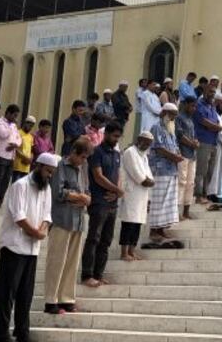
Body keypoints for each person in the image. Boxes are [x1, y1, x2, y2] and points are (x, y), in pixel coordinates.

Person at [0, 151, 56, 342]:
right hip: (13, 246)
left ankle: (22, 332)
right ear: (38, 166)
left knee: (25, 295)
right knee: (6, 294)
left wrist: (42, 230)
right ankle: (1, 335)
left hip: (32, 249)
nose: (49, 176)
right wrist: (36, 233)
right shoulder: (19, 186)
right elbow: (18, 217)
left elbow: (47, 215)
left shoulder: (46, 188)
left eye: (52, 173)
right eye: (48, 172)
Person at [44, 137, 92, 315]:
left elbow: (86, 190)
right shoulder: (60, 166)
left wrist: (85, 198)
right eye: (82, 157)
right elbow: (58, 192)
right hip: (61, 220)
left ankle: (67, 299)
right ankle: (51, 300)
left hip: (78, 220)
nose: (83, 161)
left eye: (86, 158)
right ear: (74, 153)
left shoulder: (83, 168)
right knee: (57, 260)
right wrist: (79, 197)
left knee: (72, 262)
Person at [82, 122, 124, 287]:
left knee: (106, 240)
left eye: (118, 137)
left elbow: (118, 174)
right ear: (105, 134)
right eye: (114, 136)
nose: (116, 139)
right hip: (99, 202)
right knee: (94, 238)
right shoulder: (96, 152)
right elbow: (98, 176)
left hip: (112, 202)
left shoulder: (116, 153)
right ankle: (87, 275)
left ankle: (98, 274)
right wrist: (117, 190)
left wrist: (116, 191)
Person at [119, 131, 155, 261]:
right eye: (145, 142)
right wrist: (148, 181)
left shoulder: (144, 155)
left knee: (137, 224)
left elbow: (150, 177)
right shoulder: (130, 152)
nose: (146, 145)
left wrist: (149, 182)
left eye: (149, 144)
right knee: (128, 224)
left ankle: (132, 252)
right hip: (131, 193)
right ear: (138, 139)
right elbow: (142, 179)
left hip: (142, 196)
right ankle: (124, 253)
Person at [148, 102, 183, 240]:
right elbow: (159, 148)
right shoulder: (156, 127)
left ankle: (162, 229)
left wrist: (178, 154)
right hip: (160, 170)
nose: (173, 118)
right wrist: (175, 157)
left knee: (167, 202)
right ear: (164, 113)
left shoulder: (170, 129)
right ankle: (153, 230)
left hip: (172, 170)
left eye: (174, 116)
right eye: (171, 115)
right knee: (158, 201)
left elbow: (175, 146)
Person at [192, 88, 221, 204]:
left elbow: (216, 121)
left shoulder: (213, 107)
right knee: (201, 170)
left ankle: (205, 194)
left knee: (210, 171)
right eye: (209, 92)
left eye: (213, 93)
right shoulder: (199, 105)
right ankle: (198, 195)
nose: (211, 94)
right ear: (204, 93)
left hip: (213, 142)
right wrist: (216, 127)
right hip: (203, 141)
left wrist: (215, 126)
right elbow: (204, 122)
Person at [0, 104, 22, 208]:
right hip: (0, 155)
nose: (15, 118)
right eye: (14, 115)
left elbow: (19, 138)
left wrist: (15, 145)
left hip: (10, 156)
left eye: (16, 116)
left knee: (6, 180)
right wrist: (10, 126)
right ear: (7, 113)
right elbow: (3, 134)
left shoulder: (14, 125)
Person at [175, 96, 199, 220]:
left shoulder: (191, 119)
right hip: (183, 153)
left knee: (190, 183)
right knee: (182, 182)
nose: (193, 108)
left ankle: (186, 211)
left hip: (192, 155)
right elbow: (180, 135)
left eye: (195, 106)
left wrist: (196, 142)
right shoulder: (179, 117)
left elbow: (193, 136)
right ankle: (177, 212)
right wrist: (192, 143)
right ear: (185, 105)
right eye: (191, 106)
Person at [12, 116, 35, 183]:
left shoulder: (31, 136)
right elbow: (15, 149)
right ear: (25, 123)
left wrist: (30, 159)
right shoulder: (18, 132)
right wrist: (25, 158)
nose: (30, 127)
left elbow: (32, 150)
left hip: (26, 167)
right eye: (29, 125)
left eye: (32, 126)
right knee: (15, 186)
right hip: (18, 166)